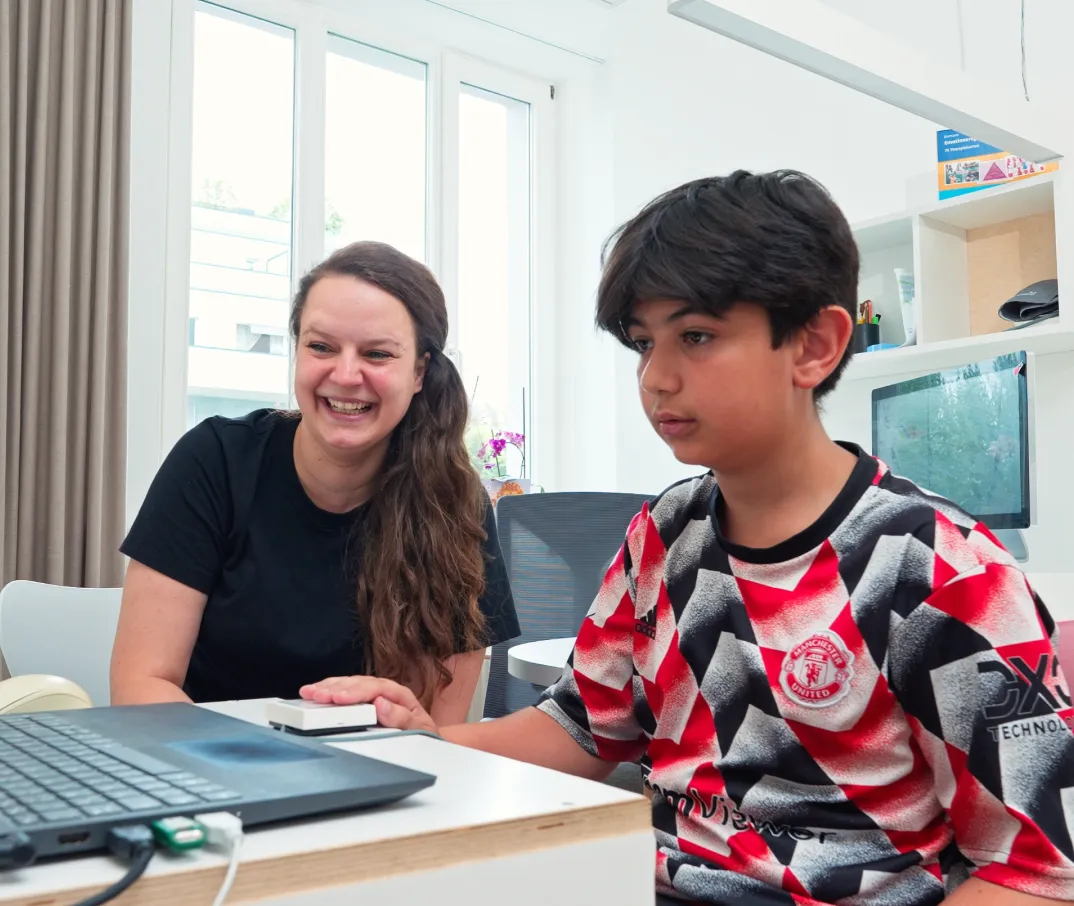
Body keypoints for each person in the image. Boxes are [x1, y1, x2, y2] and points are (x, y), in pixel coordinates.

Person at [301, 172, 1074, 906]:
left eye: (696, 337)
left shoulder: (941, 571)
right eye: (643, 344)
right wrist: (426, 739)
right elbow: (579, 727)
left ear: (814, 346)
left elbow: (1036, 873)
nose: (656, 378)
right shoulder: (662, 535)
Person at [112, 241, 520, 724]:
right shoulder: (214, 461)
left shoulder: (455, 504)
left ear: (419, 371)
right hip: (206, 775)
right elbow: (140, 685)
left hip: (376, 782)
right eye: (321, 346)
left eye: (377, 353)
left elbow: (437, 729)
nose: (345, 375)